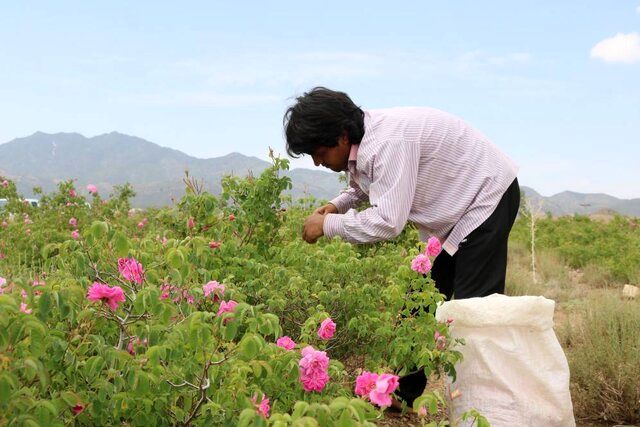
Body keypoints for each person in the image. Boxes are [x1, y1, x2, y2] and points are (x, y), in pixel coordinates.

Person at [283, 87, 520, 408]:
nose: (317, 161)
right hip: (453, 214)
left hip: (486, 197)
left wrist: (326, 226)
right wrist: (335, 206)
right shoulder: (363, 140)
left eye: (319, 152)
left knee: (473, 314)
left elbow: (387, 221)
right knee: (419, 303)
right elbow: (364, 186)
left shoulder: (387, 144)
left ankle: (486, 408)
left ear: (340, 137)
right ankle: (401, 394)